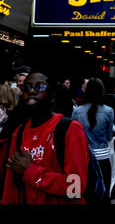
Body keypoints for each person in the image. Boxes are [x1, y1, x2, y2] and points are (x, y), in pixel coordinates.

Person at [1, 72, 90, 204]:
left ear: (52, 96)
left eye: (39, 87)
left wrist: (29, 171)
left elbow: (75, 188)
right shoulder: (18, 133)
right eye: (27, 87)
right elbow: (11, 189)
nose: (31, 91)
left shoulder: (70, 129)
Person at [71, 78, 114, 204]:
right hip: (103, 156)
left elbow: (73, 136)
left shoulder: (77, 112)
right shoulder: (109, 111)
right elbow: (109, 136)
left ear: (87, 91)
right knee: (104, 193)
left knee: (85, 194)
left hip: (83, 157)